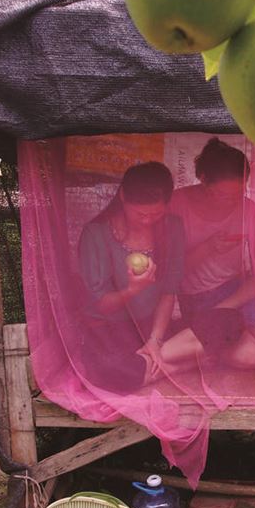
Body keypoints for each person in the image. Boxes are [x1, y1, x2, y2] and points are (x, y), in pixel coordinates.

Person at [159, 138, 255, 369]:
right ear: (203, 180)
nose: (230, 201)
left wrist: (226, 306)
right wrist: (208, 249)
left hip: (237, 292)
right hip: (198, 297)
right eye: (221, 194)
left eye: (238, 193)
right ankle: (203, 351)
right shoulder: (177, 204)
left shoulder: (249, 210)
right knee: (252, 357)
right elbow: (168, 275)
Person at [78, 162, 184, 390]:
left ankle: (152, 360)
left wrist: (155, 340)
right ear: (123, 197)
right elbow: (102, 306)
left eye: (155, 213)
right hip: (108, 333)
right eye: (140, 214)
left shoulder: (172, 228)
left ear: (167, 204)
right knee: (109, 372)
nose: (147, 220)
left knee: (225, 323)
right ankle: (173, 367)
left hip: (151, 328)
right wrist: (133, 290)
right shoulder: (96, 234)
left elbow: (169, 290)